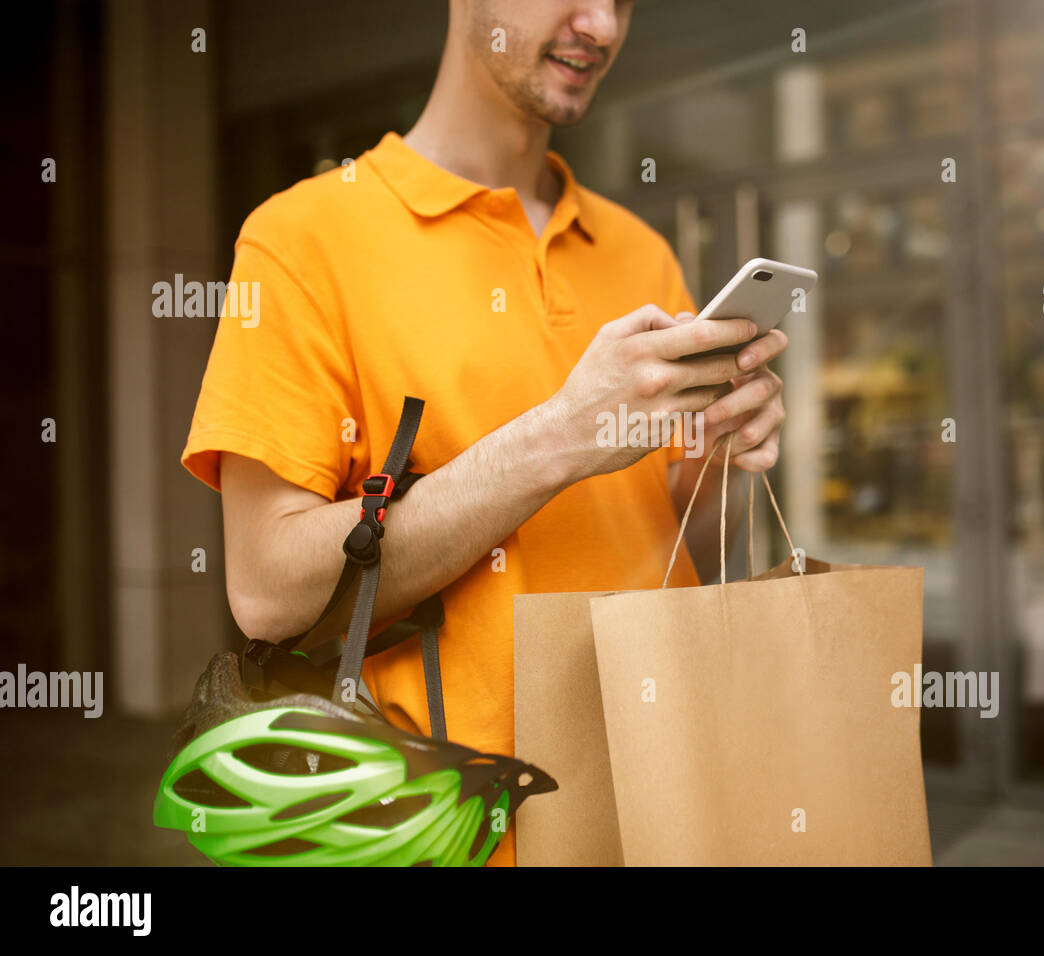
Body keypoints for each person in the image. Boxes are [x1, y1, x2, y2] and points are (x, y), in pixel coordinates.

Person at [181, 0, 787, 866]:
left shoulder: (640, 251)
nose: (604, 27)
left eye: (621, 1)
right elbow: (269, 594)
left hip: (656, 818)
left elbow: (682, 555)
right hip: (445, 836)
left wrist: (720, 469)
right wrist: (557, 439)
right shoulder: (301, 240)